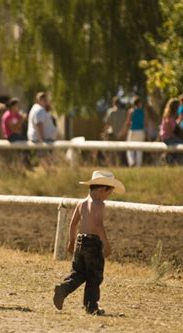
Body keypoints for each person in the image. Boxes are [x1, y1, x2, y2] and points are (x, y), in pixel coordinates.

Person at [53, 170, 125, 315]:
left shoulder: (81, 203)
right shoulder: (99, 204)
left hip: (80, 241)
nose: (107, 197)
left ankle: (63, 288)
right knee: (94, 275)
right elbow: (98, 225)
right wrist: (106, 244)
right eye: (108, 193)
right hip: (93, 243)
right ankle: (91, 306)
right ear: (102, 190)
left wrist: (72, 242)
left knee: (78, 273)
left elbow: (73, 224)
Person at [102, 96, 127, 165]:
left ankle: (111, 165)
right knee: (119, 153)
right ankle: (118, 165)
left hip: (112, 135)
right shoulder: (124, 112)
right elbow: (127, 124)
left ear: (113, 103)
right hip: (121, 135)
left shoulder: (111, 111)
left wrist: (104, 133)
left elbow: (107, 124)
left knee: (110, 151)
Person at [125, 96, 146, 167]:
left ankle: (131, 162)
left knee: (129, 147)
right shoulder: (143, 112)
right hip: (141, 131)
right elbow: (145, 122)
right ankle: (138, 166)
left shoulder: (131, 111)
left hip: (133, 131)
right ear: (139, 103)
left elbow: (127, 122)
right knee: (139, 150)